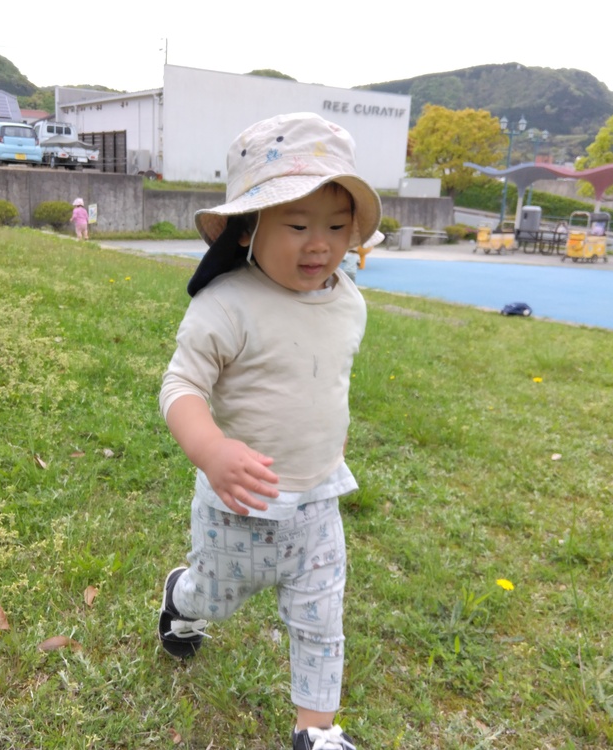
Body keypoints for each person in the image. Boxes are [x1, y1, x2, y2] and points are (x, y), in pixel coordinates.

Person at [157, 112, 380, 750]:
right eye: (299, 225)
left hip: (317, 499)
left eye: (338, 227)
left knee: (321, 619)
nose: (321, 245)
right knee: (217, 600)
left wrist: (332, 434)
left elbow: (328, 377)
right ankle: (183, 595)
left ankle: (318, 732)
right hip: (240, 502)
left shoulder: (348, 302)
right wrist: (212, 449)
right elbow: (181, 388)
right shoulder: (225, 305)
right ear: (250, 227)